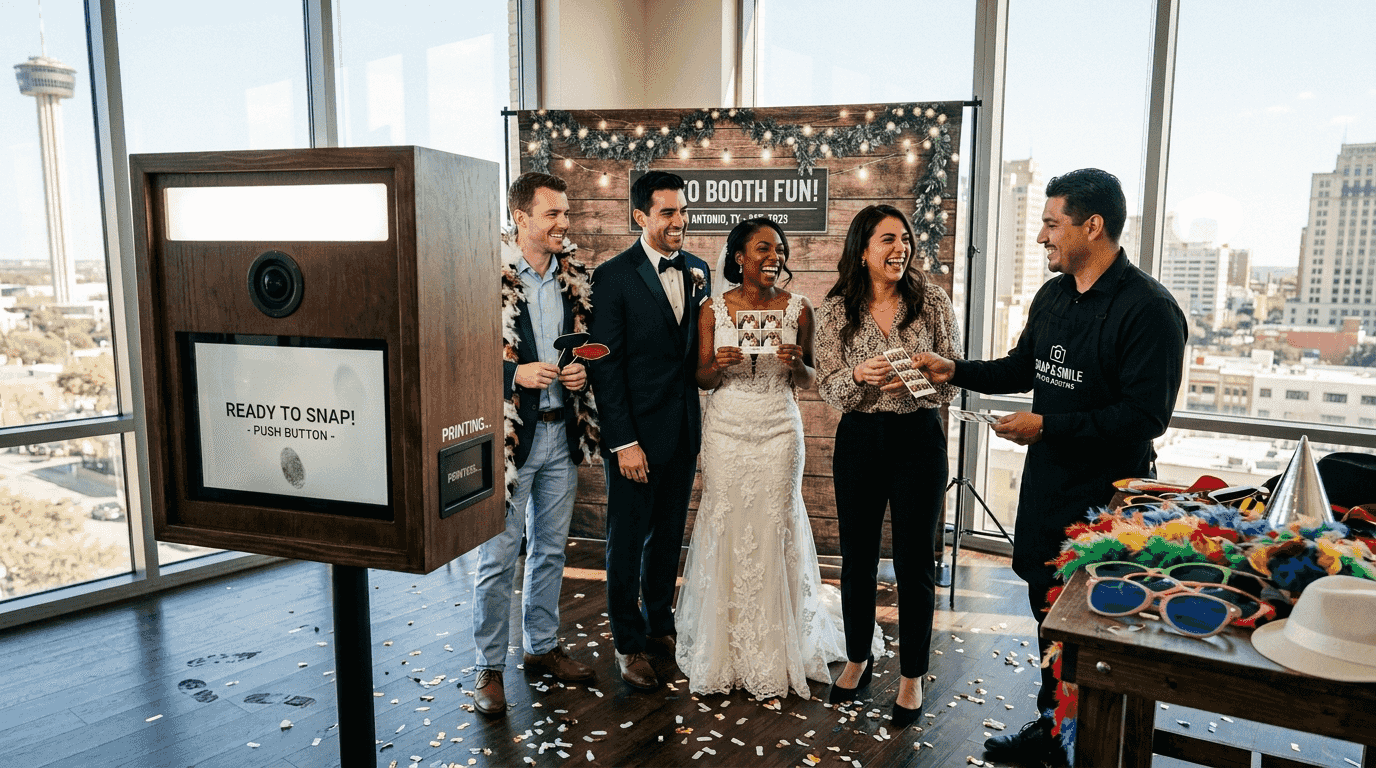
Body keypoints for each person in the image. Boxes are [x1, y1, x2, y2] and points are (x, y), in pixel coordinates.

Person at [915, 169, 1187, 762]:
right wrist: (955, 370)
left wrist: (1048, 428)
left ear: (1094, 225)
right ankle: (1052, 727)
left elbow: (1145, 417)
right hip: (1047, 489)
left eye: (1050, 222)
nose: (1041, 237)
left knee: (1094, 626)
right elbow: (1022, 368)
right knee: (1047, 612)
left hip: (1107, 503)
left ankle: (1090, 742)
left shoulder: (1150, 310)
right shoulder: (1053, 296)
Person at [675, 218, 874, 700]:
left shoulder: (798, 309)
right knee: (727, 521)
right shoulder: (712, 310)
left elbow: (811, 381)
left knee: (774, 521)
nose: (774, 256)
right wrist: (716, 365)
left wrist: (796, 363)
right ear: (739, 256)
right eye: (764, 248)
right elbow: (700, 379)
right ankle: (724, 640)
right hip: (726, 429)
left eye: (779, 250)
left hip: (780, 429)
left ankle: (781, 636)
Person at [814, 204, 960, 727]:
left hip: (918, 438)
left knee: (916, 561)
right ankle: (857, 657)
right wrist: (858, 374)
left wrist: (922, 378)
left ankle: (912, 675)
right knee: (856, 559)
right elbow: (828, 387)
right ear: (863, 249)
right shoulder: (835, 309)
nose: (901, 248)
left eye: (905, 239)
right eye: (888, 240)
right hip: (859, 438)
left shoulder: (933, 301)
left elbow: (955, 373)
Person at [472, 172, 601, 717]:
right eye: (552, 214)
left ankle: (542, 648)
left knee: (550, 551)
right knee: (499, 556)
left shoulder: (575, 277)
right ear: (520, 217)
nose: (563, 224)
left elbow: (590, 346)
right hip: (510, 439)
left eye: (566, 214)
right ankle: (489, 667)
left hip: (560, 433)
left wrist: (579, 374)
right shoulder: (486, 277)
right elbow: (458, 355)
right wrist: (512, 375)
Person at [588, 170, 712, 691]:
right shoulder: (613, 276)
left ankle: (660, 624)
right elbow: (605, 368)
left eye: (682, 211)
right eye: (667, 212)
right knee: (626, 540)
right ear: (640, 217)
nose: (679, 221)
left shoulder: (700, 270)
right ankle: (628, 643)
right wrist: (623, 441)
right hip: (635, 438)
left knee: (666, 539)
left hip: (683, 431)